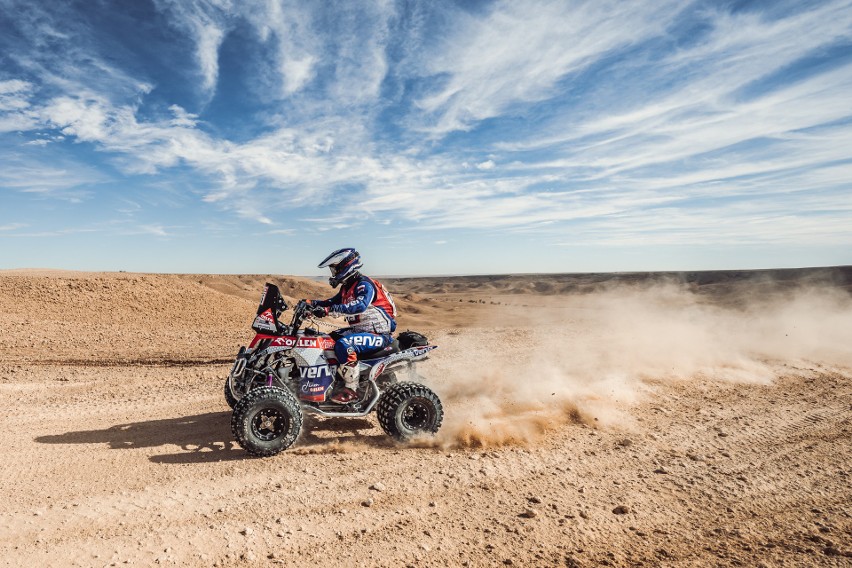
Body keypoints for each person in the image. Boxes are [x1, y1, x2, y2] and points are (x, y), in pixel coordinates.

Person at [308, 248, 397, 404]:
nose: (333, 273)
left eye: (335, 268)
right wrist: (310, 303)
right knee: (328, 339)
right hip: (361, 330)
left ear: (346, 266)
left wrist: (329, 310)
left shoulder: (364, 284)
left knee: (344, 344)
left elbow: (360, 305)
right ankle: (336, 380)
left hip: (379, 334)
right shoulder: (347, 287)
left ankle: (352, 389)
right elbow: (331, 302)